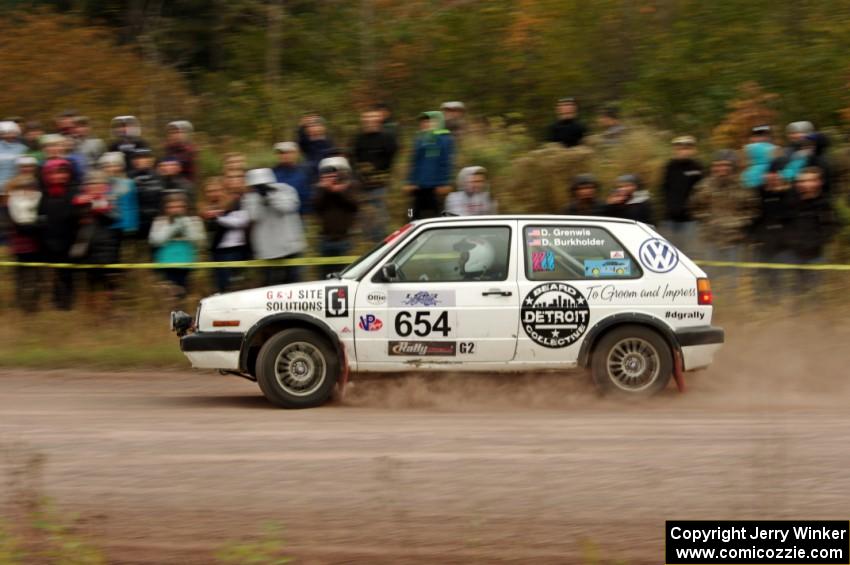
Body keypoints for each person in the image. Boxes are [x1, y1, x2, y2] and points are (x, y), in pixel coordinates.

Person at [689, 150, 759, 280]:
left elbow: (753, 209)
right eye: (718, 165)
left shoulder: (742, 186)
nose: (722, 168)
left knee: (732, 277)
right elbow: (694, 207)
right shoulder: (704, 186)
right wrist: (707, 220)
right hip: (711, 238)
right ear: (713, 167)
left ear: (732, 167)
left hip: (734, 239)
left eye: (725, 165)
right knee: (710, 277)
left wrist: (738, 222)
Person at [242, 168, 305, 285]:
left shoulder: (286, 189)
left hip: (290, 247)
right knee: (270, 285)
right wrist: (259, 198)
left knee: (293, 283)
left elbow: (287, 207)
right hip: (267, 251)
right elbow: (253, 216)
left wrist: (270, 195)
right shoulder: (250, 197)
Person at [70, 171, 123, 305]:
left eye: (99, 183)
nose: (95, 186)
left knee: (109, 281)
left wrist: (100, 209)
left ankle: (110, 309)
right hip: (87, 245)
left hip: (108, 245)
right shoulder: (79, 200)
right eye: (91, 183)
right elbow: (73, 219)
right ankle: (92, 313)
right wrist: (85, 207)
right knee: (90, 282)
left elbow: (116, 218)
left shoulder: (110, 199)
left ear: (105, 185)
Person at [785, 167, 837, 292]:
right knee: (793, 291)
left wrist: (814, 242)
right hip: (793, 254)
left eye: (810, 180)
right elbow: (784, 223)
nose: (806, 184)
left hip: (815, 255)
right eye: (802, 181)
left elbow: (831, 228)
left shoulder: (825, 204)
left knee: (814, 291)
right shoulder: (791, 201)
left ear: (818, 182)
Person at [148, 193, 205, 303]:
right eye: (171, 207)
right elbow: (155, 241)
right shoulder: (159, 221)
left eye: (179, 207)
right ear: (165, 208)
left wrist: (185, 224)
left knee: (183, 295)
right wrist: (173, 227)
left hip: (186, 263)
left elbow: (199, 241)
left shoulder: (194, 220)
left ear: (185, 207)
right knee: (169, 296)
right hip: (165, 264)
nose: (175, 210)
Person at [38, 158, 79, 310]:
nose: (59, 177)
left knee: (68, 273)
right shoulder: (44, 194)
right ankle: (56, 302)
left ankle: (68, 304)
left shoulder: (74, 191)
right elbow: (40, 215)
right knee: (53, 274)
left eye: (63, 173)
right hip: (48, 239)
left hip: (69, 239)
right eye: (54, 173)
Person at [352, 108, 398, 242]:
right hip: (362, 185)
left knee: (379, 216)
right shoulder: (359, 138)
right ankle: (368, 243)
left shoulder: (387, 137)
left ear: (379, 120)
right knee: (365, 217)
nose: (369, 121)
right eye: (366, 118)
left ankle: (381, 242)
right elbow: (354, 157)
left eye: (372, 118)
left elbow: (391, 155)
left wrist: (379, 169)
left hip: (380, 185)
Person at [201, 177, 250, 293]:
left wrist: (217, 217)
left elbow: (240, 222)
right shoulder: (205, 208)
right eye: (209, 191)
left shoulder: (235, 204)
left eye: (216, 190)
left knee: (233, 286)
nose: (213, 194)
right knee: (219, 286)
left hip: (232, 250)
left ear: (223, 190)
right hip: (214, 251)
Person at [314, 157, 359, 279]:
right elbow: (316, 207)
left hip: (344, 239)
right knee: (324, 275)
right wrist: (326, 190)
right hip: (325, 238)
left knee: (344, 275)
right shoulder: (321, 189)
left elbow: (354, 205)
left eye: (334, 172)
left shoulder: (350, 186)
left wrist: (337, 191)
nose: (332, 175)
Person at [404, 111, 454, 219]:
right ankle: (408, 226)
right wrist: (410, 182)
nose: (424, 124)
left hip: (435, 187)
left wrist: (444, 183)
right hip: (418, 186)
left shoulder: (444, 139)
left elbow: (446, 162)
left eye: (428, 121)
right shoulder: (419, 139)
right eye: (422, 122)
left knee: (438, 215)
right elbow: (414, 162)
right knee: (410, 212)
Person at [660, 136, 703, 253]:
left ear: (693, 150)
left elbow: (701, 192)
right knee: (668, 252)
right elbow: (664, 189)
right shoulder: (669, 167)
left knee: (689, 253)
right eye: (680, 148)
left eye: (687, 148)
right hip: (670, 218)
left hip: (690, 220)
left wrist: (695, 211)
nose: (683, 151)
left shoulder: (697, 167)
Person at [5, 172, 42, 311]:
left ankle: (33, 304)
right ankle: (21, 304)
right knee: (21, 275)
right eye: (23, 186)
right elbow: (12, 223)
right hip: (19, 243)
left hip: (36, 242)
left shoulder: (38, 198)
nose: (27, 189)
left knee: (35, 275)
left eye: (30, 186)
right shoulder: (12, 201)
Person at [98, 152, 140, 240]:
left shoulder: (129, 183)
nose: (111, 169)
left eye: (115, 165)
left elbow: (132, 207)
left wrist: (132, 225)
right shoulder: (99, 185)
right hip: (106, 228)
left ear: (121, 167)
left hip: (126, 227)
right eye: (107, 166)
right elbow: (99, 209)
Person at [129, 148, 164, 242]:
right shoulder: (129, 177)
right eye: (138, 158)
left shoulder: (159, 176)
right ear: (133, 161)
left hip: (155, 222)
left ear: (150, 160)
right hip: (136, 223)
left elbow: (163, 198)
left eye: (145, 157)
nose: (142, 161)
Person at [272, 142, 311, 215]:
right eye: (281, 153)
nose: (285, 155)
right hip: (276, 216)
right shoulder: (271, 173)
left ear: (295, 154)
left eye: (288, 152)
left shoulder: (303, 173)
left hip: (297, 216)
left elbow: (306, 197)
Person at [741, 125, 777, 189]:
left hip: (770, 183)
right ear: (752, 138)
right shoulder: (746, 150)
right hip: (750, 182)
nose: (762, 138)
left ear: (769, 137)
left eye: (764, 135)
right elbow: (743, 166)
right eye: (758, 136)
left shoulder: (775, 149)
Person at [0, 121, 26, 195]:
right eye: (5, 133)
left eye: (11, 132)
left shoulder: (23, 148)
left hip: (16, 185)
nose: (9, 135)